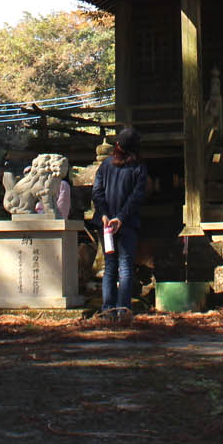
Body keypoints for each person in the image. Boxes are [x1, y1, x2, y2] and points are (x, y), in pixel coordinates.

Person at [92, 127, 148, 320]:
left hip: (106, 225)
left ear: (118, 146)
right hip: (127, 224)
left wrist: (105, 215)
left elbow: (97, 192)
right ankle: (123, 309)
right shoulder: (139, 168)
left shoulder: (105, 166)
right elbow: (137, 196)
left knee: (110, 266)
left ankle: (108, 309)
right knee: (124, 266)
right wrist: (121, 218)